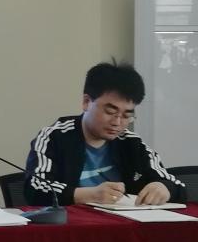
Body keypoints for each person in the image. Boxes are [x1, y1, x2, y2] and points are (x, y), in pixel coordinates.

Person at [24, 60, 185, 206]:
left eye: (126, 115)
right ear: (86, 102)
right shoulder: (54, 137)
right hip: (72, 224)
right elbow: (35, 188)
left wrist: (163, 187)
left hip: (123, 224)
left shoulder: (131, 143)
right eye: (110, 111)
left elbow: (177, 185)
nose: (117, 122)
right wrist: (90, 195)